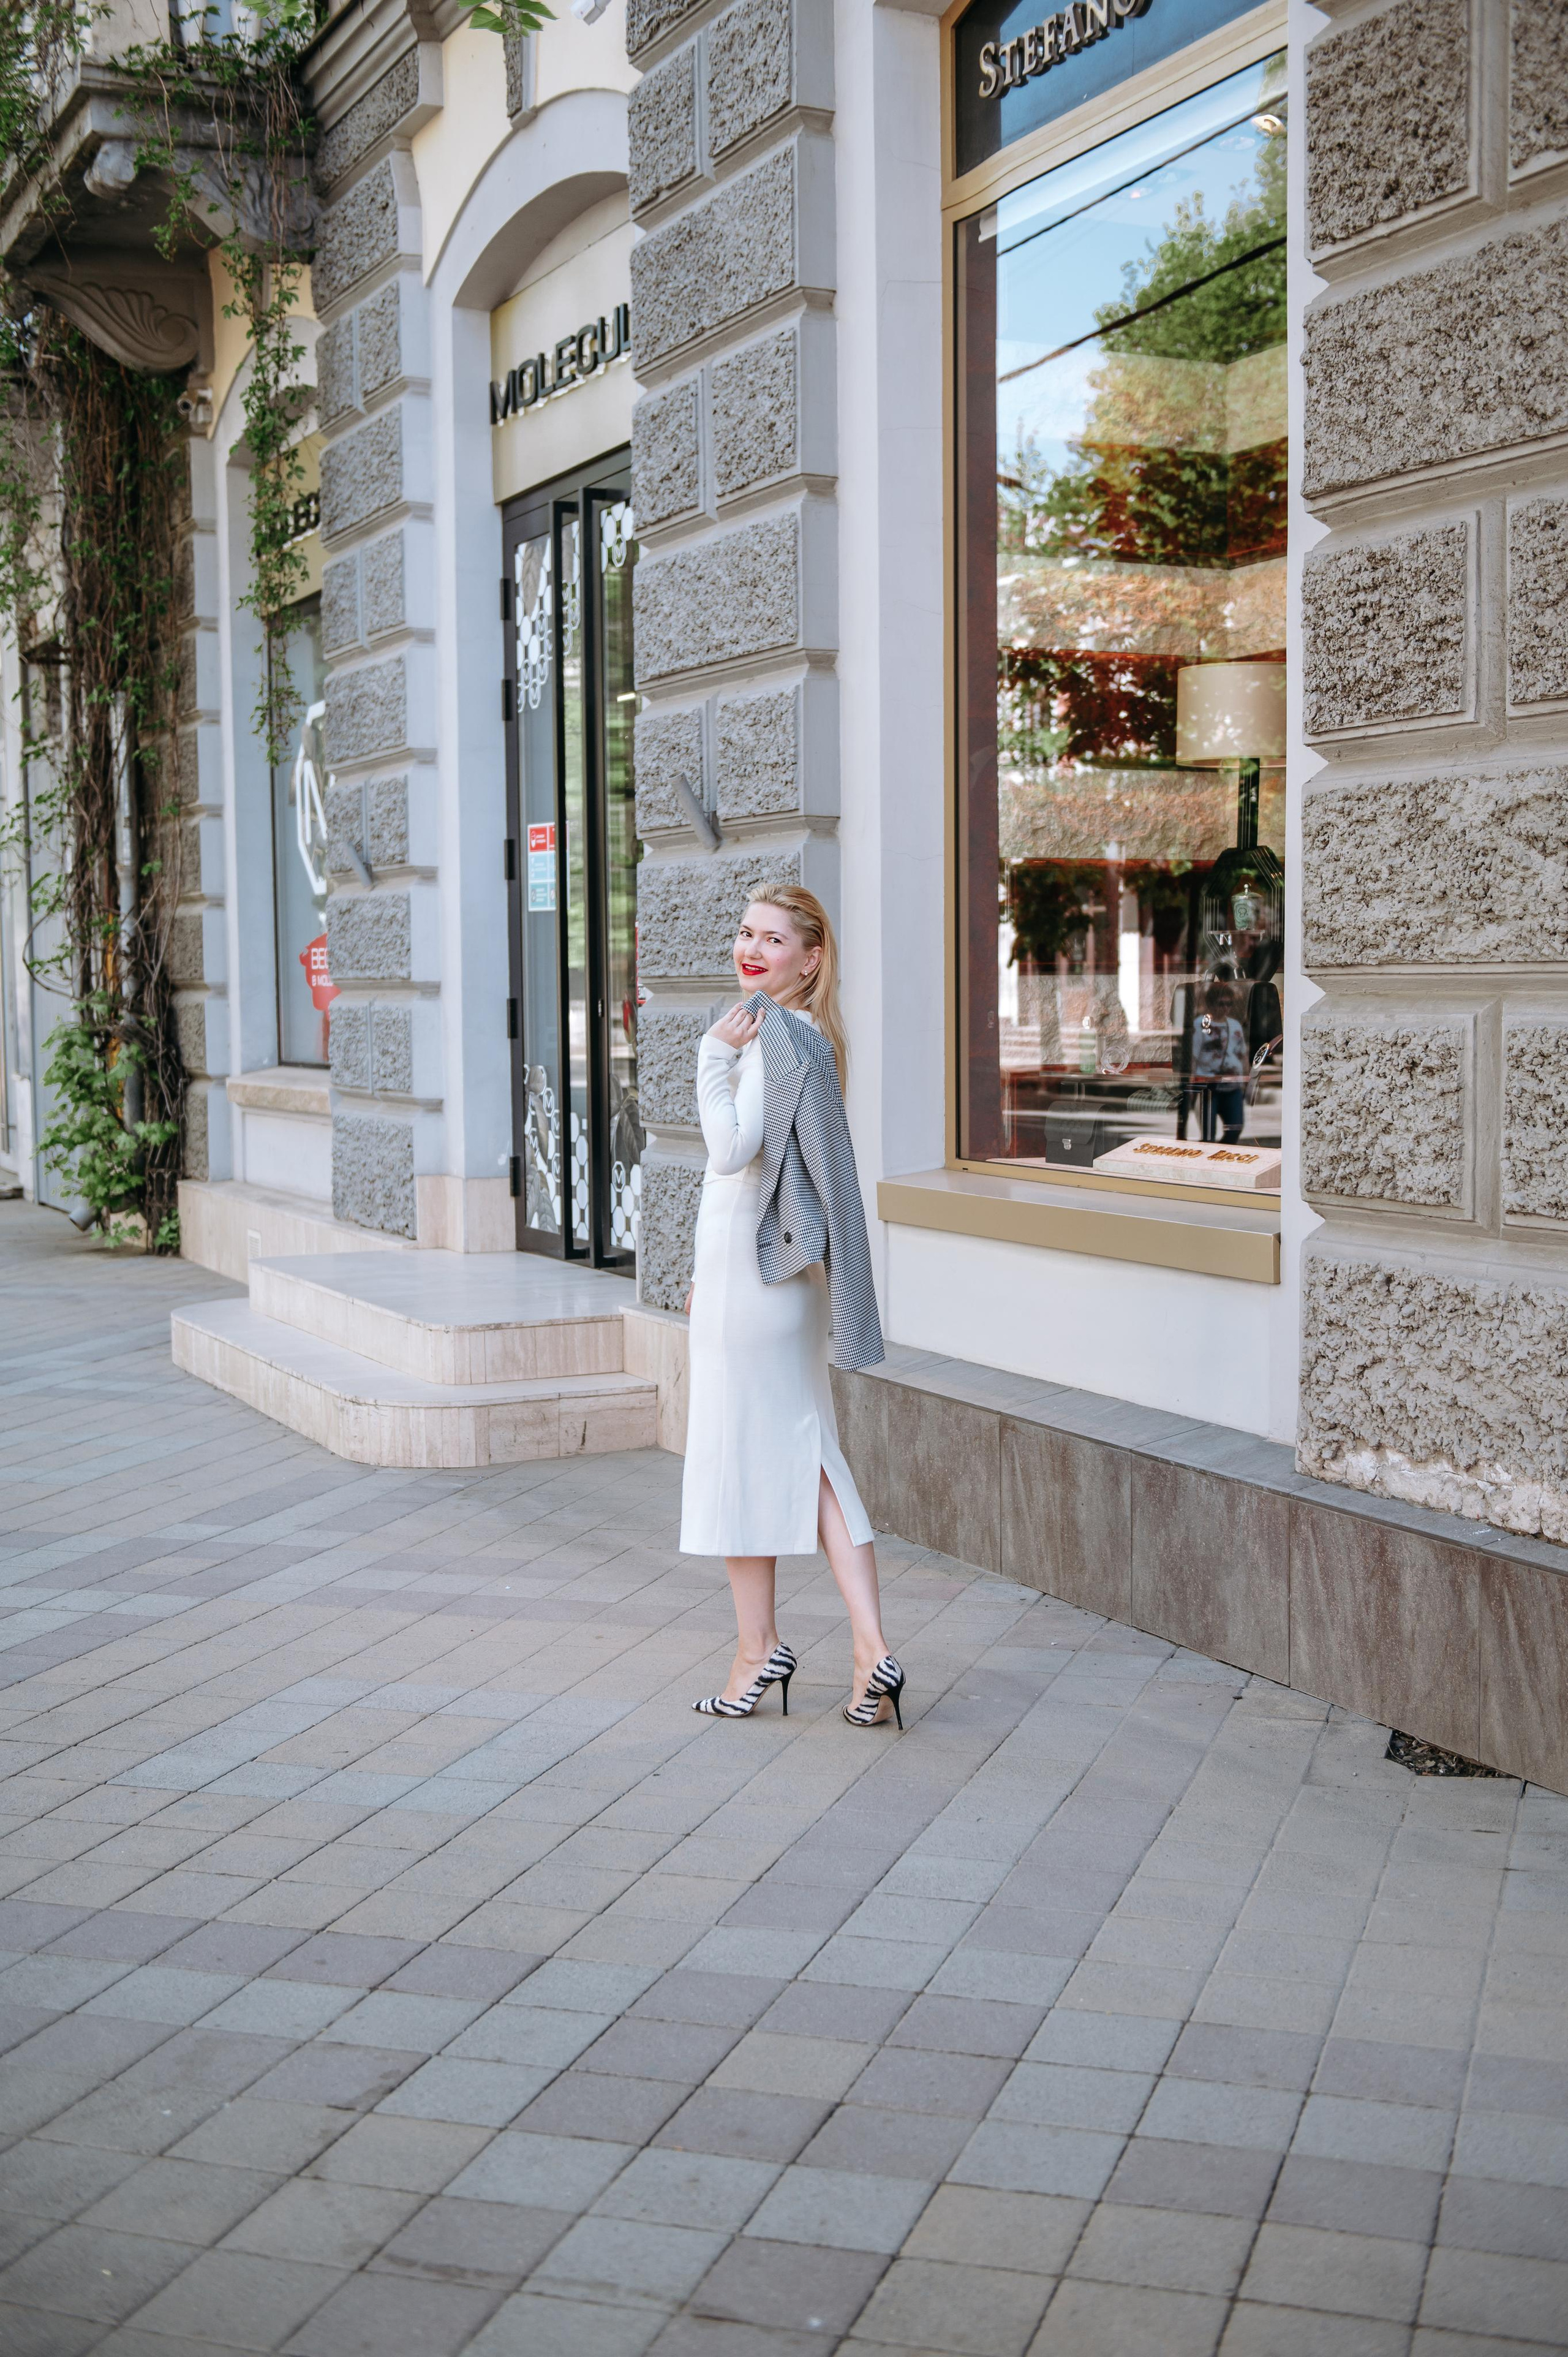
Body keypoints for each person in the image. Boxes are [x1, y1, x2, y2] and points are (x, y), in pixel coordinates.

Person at [680, 887, 903, 1730]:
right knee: (812, 1458)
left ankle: (756, 1653)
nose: (752, 948)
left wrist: (708, 1055)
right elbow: (770, 1177)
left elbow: (731, 1151)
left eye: (773, 939)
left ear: (810, 959)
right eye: (744, 932)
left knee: (745, 1458)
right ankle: (871, 1652)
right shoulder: (805, 1039)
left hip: (756, 1288)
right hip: (770, 1282)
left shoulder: (768, 1038)